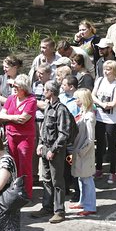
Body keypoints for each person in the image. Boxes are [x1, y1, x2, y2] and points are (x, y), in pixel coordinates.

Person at [33, 81, 73, 223]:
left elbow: (63, 134)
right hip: (45, 148)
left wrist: (53, 150)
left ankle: (60, 211)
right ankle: (47, 207)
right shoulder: (48, 106)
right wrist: (40, 145)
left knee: (57, 181)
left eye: (45, 90)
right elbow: (44, 129)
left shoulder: (61, 109)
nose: (43, 92)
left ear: (52, 91)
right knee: (46, 179)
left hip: (55, 150)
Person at [0, 74, 37, 198]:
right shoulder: (11, 98)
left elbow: (24, 119)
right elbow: (1, 115)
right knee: (13, 164)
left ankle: (27, 194)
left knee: (25, 165)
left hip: (25, 137)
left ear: (24, 88)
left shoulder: (31, 100)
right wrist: (15, 118)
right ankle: (14, 192)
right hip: (11, 136)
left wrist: (9, 118)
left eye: (16, 86)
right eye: (13, 85)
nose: (14, 88)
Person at [92, 60, 116, 183]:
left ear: (114, 71)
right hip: (99, 117)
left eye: (109, 69)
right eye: (105, 68)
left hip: (111, 119)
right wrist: (101, 104)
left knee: (111, 144)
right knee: (99, 144)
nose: (106, 71)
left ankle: (112, 171)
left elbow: (115, 102)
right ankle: (99, 168)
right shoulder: (99, 80)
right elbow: (93, 95)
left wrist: (108, 105)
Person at [70, 89, 97, 216]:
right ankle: (83, 201)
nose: (75, 100)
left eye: (78, 98)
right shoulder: (82, 113)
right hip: (79, 151)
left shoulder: (89, 116)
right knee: (81, 179)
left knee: (87, 179)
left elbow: (90, 139)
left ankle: (90, 205)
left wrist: (81, 151)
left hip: (85, 153)